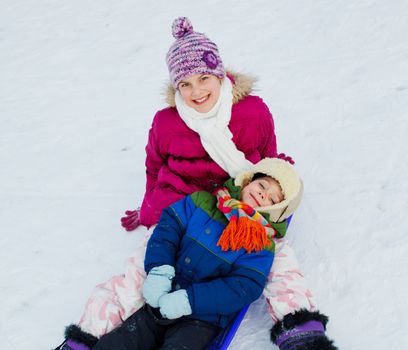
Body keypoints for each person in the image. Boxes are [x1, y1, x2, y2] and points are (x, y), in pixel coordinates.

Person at [55, 158, 336, 350]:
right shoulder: (202, 202)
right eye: (262, 186)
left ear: (276, 212)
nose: (263, 196)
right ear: (247, 181)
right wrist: (160, 270)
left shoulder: (260, 243)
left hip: (202, 319)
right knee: (120, 342)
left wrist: (192, 300)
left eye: (274, 199)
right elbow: (167, 229)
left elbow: (243, 287)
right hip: (160, 297)